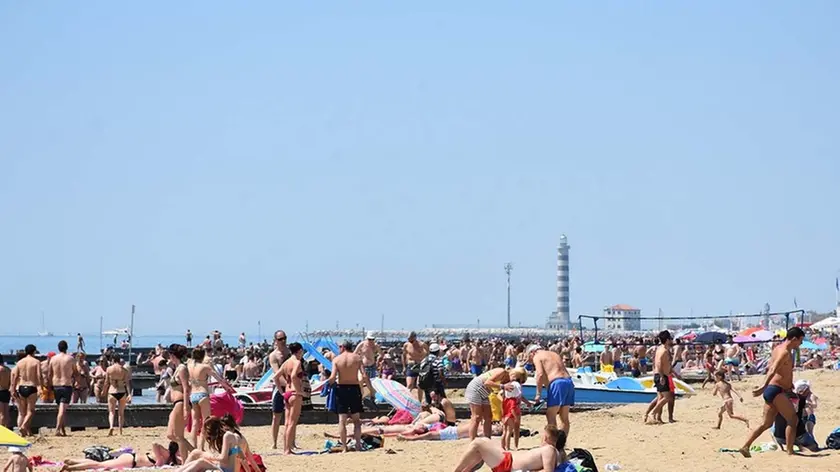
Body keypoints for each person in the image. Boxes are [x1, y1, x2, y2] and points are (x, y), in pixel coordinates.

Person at [739, 327, 805, 457]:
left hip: (774, 389)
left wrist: (788, 383)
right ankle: (790, 451)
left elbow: (774, 367)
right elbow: (773, 369)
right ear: (794, 339)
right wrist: (763, 386)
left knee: (766, 423)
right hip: (776, 390)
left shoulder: (778, 349)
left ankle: (745, 446)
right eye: (800, 341)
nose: (800, 344)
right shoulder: (785, 352)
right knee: (792, 419)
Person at [452, 425, 565, 472]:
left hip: (509, 465)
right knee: (485, 441)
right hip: (508, 459)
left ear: (547, 438)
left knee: (477, 443)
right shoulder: (550, 451)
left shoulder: (549, 450)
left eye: (544, 436)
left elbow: (548, 471)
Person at [328, 340, 369, 452]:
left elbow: (332, 377)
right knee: (356, 420)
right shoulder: (357, 358)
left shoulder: (337, 359)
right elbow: (364, 375)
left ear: (342, 347)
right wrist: (368, 389)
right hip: (354, 389)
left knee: (342, 420)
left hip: (342, 389)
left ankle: (344, 447)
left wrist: (328, 386)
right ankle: (358, 446)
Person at [188, 349, 232, 450]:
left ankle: (193, 446)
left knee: (195, 422)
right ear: (203, 356)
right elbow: (219, 378)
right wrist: (227, 387)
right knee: (205, 421)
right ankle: (201, 446)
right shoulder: (205, 367)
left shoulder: (189, 367)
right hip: (203, 394)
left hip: (193, 395)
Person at [530, 345, 574, 436]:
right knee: (564, 417)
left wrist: (538, 394)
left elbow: (540, 375)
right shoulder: (554, 354)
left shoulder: (537, 356)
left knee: (550, 415)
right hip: (568, 382)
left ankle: (553, 443)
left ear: (532, 352)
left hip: (557, 383)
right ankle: (562, 444)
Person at [179, 417, 244, 472]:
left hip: (225, 470)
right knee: (196, 452)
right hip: (222, 467)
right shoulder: (230, 436)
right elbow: (239, 452)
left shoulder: (227, 436)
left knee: (201, 461)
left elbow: (223, 458)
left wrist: (207, 455)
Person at [59, 442, 180, 471]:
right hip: (131, 461)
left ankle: (72, 461)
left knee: (101, 464)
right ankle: (71, 468)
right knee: (100, 465)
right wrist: (159, 458)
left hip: (131, 457)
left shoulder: (167, 456)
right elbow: (155, 444)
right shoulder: (165, 456)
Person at [276, 342, 306, 455]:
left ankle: (286, 448)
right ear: (299, 351)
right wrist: (299, 391)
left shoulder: (286, 362)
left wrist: (281, 391)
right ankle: (287, 449)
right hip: (294, 394)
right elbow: (294, 376)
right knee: (292, 422)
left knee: (287, 422)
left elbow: (275, 377)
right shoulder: (297, 362)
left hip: (287, 393)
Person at [465, 366, 510, 440]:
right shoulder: (502, 372)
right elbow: (487, 382)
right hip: (475, 389)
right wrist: (502, 386)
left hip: (485, 393)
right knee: (476, 417)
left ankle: (487, 439)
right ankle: (472, 441)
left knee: (488, 417)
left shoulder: (506, 380)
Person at [166, 344, 193, 454]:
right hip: (177, 403)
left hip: (181, 402)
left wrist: (186, 407)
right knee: (172, 435)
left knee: (177, 435)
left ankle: (188, 459)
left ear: (172, 355)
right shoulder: (177, 368)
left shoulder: (182, 368)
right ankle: (196, 455)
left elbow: (186, 388)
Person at [646, 330, 676, 424]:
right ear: (667, 340)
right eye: (670, 338)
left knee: (660, 397)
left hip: (663, 375)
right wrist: (662, 376)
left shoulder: (662, 349)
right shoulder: (662, 351)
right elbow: (658, 364)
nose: (671, 340)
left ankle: (657, 417)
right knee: (667, 397)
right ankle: (652, 413)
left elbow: (665, 364)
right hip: (661, 375)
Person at [11, 345, 41, 436]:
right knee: (31, 411)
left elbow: (15, 377)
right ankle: (23, 426)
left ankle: (22, 433)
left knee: (22, 412)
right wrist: (40, 387)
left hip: (21, 387)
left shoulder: (20, 362)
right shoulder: (36, 362)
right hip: (31, 387)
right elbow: (39, 376)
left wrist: (13, 389)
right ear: (34, 352)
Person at [268, 330, 289, 450]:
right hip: (279, 387)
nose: (283, 341)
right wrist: (287, 385)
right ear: (276, 340)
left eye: (284, 338)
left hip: (291, 385)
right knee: (276, 416)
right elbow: (277, 373)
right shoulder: (274, 355)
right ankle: (274, 442)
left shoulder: (290, 352)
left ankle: (290, 441)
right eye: (280, 339)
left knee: (290, 416)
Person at [501, 368, 530, 450]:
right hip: (513, 412)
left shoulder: (509, 388)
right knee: (510, 430)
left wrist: (527, 402)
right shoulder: (513, 389)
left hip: (508, 410)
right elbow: (513, 407)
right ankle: (509, 447)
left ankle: (505, 446)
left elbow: (520, 397)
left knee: (506, 431)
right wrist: (516, 416)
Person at [105, 356, 131, 436]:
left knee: (111, 412)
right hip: (122, 391)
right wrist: (129, 394)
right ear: (119, 360)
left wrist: (103, 391)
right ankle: (120, 430)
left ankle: (111, 426)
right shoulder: (124, 370)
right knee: (121, 413)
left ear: (113, 360)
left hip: (112, 391)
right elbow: (127, 383)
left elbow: (106, 382)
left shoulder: (109, 369)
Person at [355, 332, 381, 401]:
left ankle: (372, 396)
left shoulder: (376, 346)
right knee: (360, 380)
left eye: (372, 339)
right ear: (367, 338)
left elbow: (381, 354)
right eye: (369, 339)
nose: (371, 341)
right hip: (362, 366)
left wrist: (378, 359)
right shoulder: (362, 344)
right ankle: (361, 395)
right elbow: (354, 353)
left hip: (372, 366)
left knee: (372, 383)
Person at [402, 332, 427, 403]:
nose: (411, 342)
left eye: (412, 340)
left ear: (415, 338)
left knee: (419, 384)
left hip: (420, 366)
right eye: (409, 340)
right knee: (409, 384)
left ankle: (419, 401)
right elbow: (403, 355)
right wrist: (404, 366)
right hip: (411, 366)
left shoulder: (422, 345)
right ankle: (406, 401)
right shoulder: (406, 345)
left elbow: (427, 355)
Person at [0, 355, 10, 428]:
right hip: (6, 392)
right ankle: (6, 428)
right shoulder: (8, 369)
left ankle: (1, 431)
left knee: (1, 414)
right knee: (6, 413)